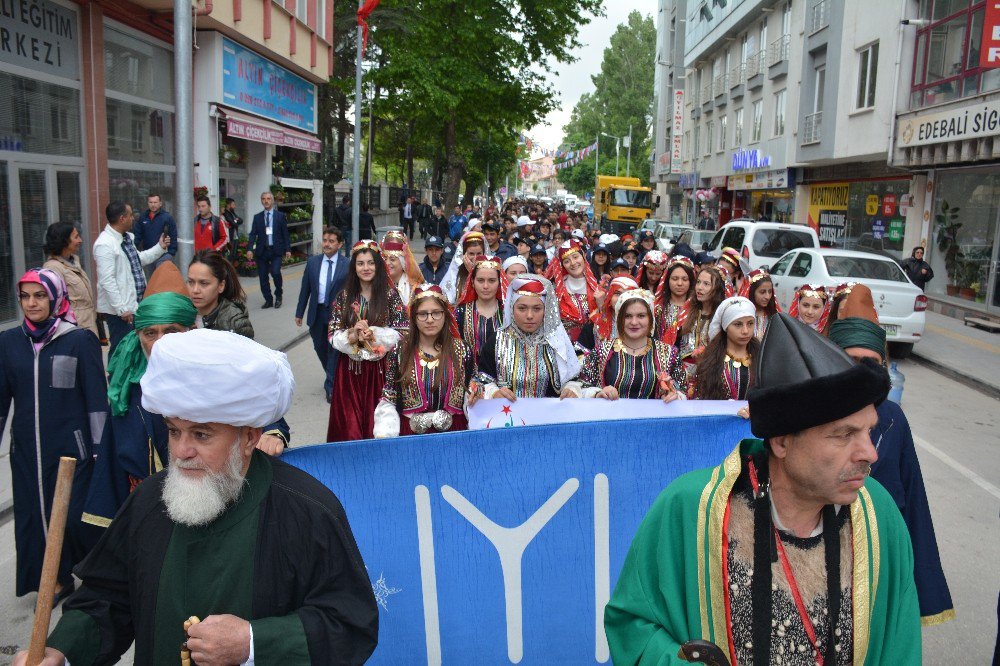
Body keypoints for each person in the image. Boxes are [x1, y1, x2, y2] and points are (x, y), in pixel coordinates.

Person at [15, 328, 379, 666]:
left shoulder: (307, 509)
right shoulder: (148, 501)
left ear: (249, 437)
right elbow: (106, 599)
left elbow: (350, 625)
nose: (182, 451)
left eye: (202, 435)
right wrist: (61, 652)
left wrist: (254, 642)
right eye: (173, 431)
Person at [605, 312, 921, 665]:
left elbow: (901, 647)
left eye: (868, 431)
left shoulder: (879, 517)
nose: (871, 454)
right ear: (783, 442)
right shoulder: (690, 508)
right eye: (844, 435)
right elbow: (631, 625)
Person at [828, 284, 954, 626]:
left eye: (871, 363)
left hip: (876, 561)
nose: (861, 372)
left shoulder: (894, 420)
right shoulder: (809, 415)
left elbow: (913, 502)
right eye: (850, 361)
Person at [0, 269, 106, 600]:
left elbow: (96, 400)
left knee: (75, 519)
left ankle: (91, 573)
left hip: (72, 449)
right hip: (27, 452)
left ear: (55, 297)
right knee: (34, 516)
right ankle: (54, 580)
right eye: (25, 296)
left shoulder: (78, 340)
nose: (32, 303)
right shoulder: (9, 343)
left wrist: (99, 447)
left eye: (40, 295)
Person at [327, 241, 408, 442]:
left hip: (381, 371)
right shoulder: (344, 297)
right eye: (361, 263)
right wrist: (352, 335)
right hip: (349, 373)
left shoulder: (390, 296)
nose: (366, 268)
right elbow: (332, 333)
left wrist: (375, 334)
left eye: (370, 263)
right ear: (354, 267)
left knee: (379, 426)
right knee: (350, 428)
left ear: (378, 265)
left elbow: (403, 331)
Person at [374, 283, 470, 437]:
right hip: (412, 436)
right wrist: (385, 433)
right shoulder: (399, 351)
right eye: (423, 314)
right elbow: (390, 396)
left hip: (453, 435)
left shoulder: (462, 350)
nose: (430, 319)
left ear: (445, 315)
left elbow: (472, 390)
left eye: (436, 313)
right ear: (414, 317)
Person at [469, 275, 582, 403]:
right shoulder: (497, 341)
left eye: (537, 309)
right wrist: (494, 392)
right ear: (512, 309)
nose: (529, 316)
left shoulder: (557, 342)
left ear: (546, 310)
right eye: (522, 308)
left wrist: (571, 389)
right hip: (507, 419)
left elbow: (575, 379)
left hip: (550, 419)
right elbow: (481, 381)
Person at [578, 289, 687, 400]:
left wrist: (675, 396)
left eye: (641, 316)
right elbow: (581, 386)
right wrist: (598, 393)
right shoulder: (602, 351)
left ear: (650, 319)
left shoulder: (668, 353)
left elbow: (683, 389)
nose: (634, 322)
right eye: (628, 316)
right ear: (619, 319)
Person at [95, 200, 169, 357]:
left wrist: (160, 248)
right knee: (121, 350)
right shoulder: (104, 244)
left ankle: (131, 380)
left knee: (134, 348)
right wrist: (121, 308)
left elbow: (137, 260)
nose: (133, 218)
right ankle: (116, 380)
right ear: (122, 218)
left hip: (135, 305)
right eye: (130, 215)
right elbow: (107, 280)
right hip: (121, 312)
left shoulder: (127, 238)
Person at [296, 227, 348, 402]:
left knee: (334, 350)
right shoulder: (313, 262)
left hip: (338, 315)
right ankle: (332, 374)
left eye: (331, 241)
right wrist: (299, 312)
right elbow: (305, 289)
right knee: (320, 348)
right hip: (316, 313)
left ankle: (331, 386)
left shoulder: (347, 265)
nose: (327, 244)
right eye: (325, 240)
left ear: (339, 244)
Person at [689, 296, 759, 400]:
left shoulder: (762, 356)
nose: (745, 331)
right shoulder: (711, 360)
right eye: (738, 324)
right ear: (725, 327)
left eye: (750, 323)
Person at [43, 222, 98, 339]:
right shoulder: (53, 267)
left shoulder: (73, 261)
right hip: (74, 329)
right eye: (76, 237)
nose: (80, 240)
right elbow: (55, 306)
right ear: (64, 241)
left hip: (88, 324)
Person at [664, 265, 727, 362]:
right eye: (698, 282)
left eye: (706, 284)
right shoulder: (686, 313)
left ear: (717, 289)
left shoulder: (723, 318)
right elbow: (670, 344)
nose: (699, 288)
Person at [187, 250, 254, 338]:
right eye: (191, 282)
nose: (195, 290)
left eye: (204, 283)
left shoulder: (235, 323)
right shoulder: (178, 315)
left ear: (221, 286)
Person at [454, 258, 505, 369]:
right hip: (468, 378)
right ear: (472, 282)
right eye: (480, 280)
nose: (486, 286)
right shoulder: (460, 313)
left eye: (492, 280)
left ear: (499, 282)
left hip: (503, 381)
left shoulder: (507, 312)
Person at [246, 191, 291, 309]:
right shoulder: (257, 217)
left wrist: (288, 249)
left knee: (276, 272)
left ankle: (279, 295)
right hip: (262, 251)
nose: (266, 201)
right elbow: (252, 234)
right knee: (263, 277)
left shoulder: (280, 216)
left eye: (268, 199)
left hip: (276, 250)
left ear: (272, 200)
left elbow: (285, 234)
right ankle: (268, 299)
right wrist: (250, 249)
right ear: (261, 201)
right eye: (263, 199)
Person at [551, 239, 599, 343]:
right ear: (562, 265)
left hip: (593, 346)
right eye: (567, 261)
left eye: (576, 257)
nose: (573, 263)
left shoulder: (597, 287)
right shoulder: (556, 291)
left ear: (583, 256)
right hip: (564, 345)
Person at [653, 256, 695, 339]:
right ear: (667, 280)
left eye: (685, 279)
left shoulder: (696, 308)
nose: (680, 283)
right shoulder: (658, 307)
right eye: (675, 279)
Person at [441, 231, 486, 304]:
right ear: (463, 254)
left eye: (479, 254)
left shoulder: (490, 271)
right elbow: (447, 300)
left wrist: (473, 272)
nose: (475, 258)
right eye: (471, 254)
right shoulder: (455, 273)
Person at [134, 193, 178, 269]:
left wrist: (171, 253)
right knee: (150, 280)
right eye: (151, 202)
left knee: (161, 279)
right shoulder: (143, 217)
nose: (153, 205)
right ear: (148, 203)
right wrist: (133, 248)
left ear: (160, 203)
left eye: (155, 202)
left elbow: (173, 235)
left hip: (163, 256)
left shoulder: (167, 217)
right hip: (148, 255)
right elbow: (138, 235)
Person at [382, 230, 423, 305]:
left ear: (402, 262)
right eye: (385, 258)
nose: (387, 263)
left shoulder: (414, 288)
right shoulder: (378, 283)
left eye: (392, 259)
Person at [740, 267, 779, 340]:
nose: (767, 296)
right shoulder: (741, 315)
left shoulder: (774, 316)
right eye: (762, 292)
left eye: (770, 292)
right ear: (751, 292)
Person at [221, 197, 243, 262]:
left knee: (233, 255)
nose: (234, 206)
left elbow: (241, 220)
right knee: (229, 255)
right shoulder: (226, 213)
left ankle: (231, 270)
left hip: (235, 236)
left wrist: (235, 221)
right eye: (233, 204)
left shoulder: (232, 213)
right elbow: (233, 223)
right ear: (228, 205)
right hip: (230, 237)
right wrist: (235, 221)